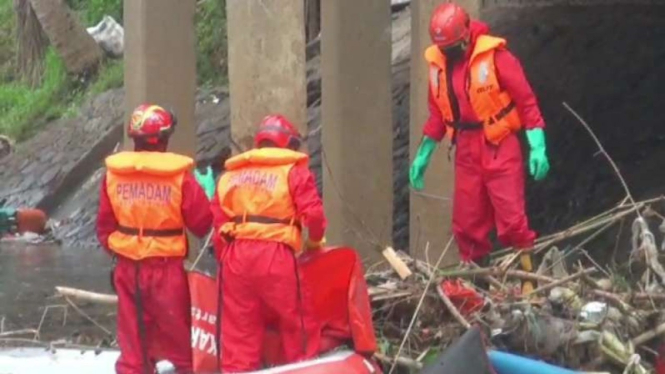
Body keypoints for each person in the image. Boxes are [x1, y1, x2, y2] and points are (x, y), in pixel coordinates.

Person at [409, 2, 550, 293]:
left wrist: (537, 145)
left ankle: (527, 283)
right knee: (467, 222)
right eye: (444, 49)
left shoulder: (497, 58)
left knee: (512, 219)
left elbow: (526, 102)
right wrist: (423, 154)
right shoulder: (439, 66)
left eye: (453, 48)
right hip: (466, 149)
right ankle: (478, 286)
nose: (448, 54)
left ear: (466, 35)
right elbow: (438, 115)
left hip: (499, 144)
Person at [96, 104, 212, 374]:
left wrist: (124, 250)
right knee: (181, 345)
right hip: (165, 269)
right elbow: (202, 223)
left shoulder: (113, 175)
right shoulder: (179, 177)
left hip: (127, 268)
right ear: (165, 137)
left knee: (133, 347)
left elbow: (103, 227)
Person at [211, 114, 326, 372]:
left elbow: (217, 224)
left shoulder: (231, 176)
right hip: (275, 255)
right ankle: (303, 369)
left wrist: (226, 262)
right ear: (288, 144)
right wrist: (314, 243)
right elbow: (315, 216)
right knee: (299, 323)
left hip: (235, 257)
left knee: (239, 334)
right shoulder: (293, 172)